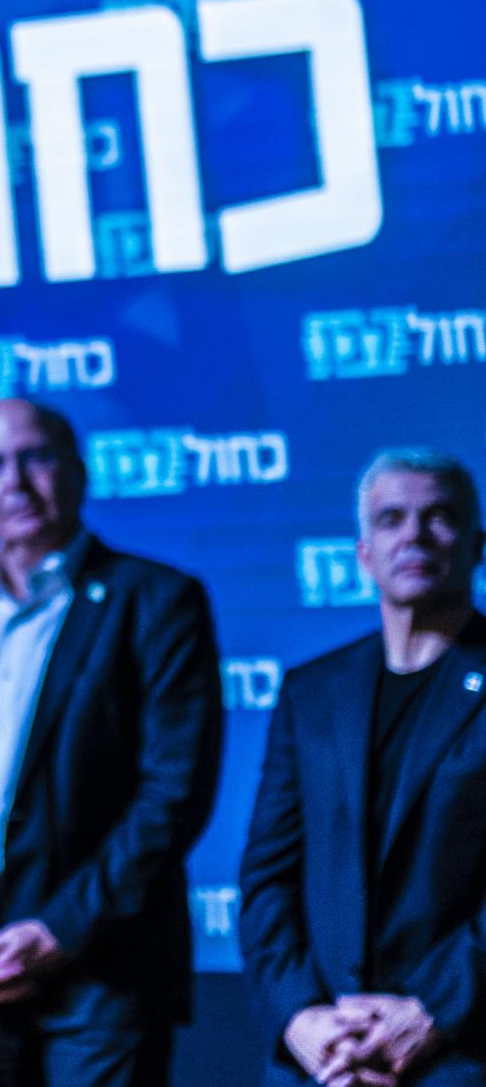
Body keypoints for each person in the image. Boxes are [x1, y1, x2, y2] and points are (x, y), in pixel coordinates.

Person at [0, 398, 223, 1087]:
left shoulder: (156, 599)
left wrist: (59, 929)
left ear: (78, 471)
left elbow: (172, 793)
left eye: (35, 457)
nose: (17, 482)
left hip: (101, 978)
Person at [240, 450, 486, 1087]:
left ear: (477, 545)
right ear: (362, 555)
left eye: (439, 518)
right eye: (391, 519)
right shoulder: (311, 693)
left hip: (464, 1049)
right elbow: (268, 880)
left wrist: (433, 1012)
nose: (414, 535)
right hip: (324, 1058)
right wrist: (300, 1020)